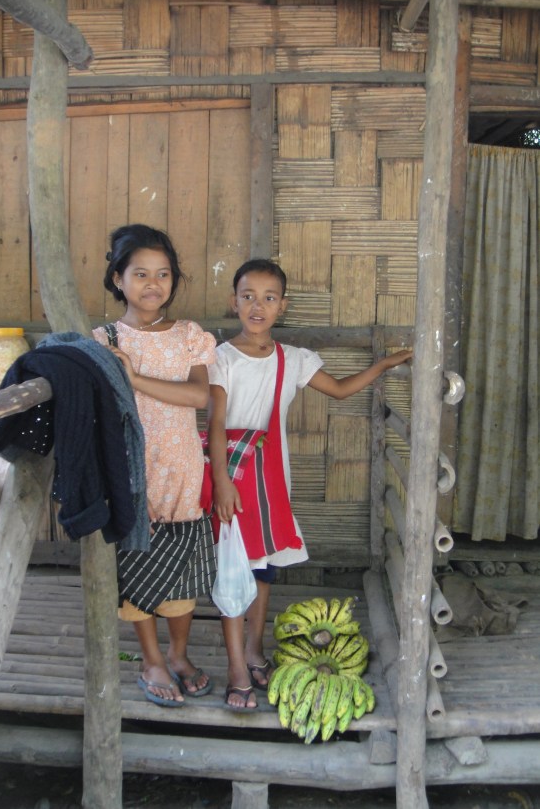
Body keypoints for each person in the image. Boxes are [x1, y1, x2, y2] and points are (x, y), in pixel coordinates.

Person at [207, 258, 413, 710]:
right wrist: (221, 481)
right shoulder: (220, 358)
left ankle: (255, 651)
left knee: (263, 568)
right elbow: (216, 423)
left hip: (272, 481)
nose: (257, 306)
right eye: (248, 296)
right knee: (233, 569)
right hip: (232, 478)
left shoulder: (293, 359)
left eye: (268, 298)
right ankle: (237, 669)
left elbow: (338, 389)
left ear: (282, 305)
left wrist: (382, 366)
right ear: (233, 302)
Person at [93, 223, 217, 707]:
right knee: (134, 566)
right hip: (130, 471)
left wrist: (135, 377)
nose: (153, 283)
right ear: (118, 279)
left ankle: (179, 655)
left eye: (163, 274)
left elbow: (199, 396)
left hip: (182, 468)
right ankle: (151, 660)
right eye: (140, 273)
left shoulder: (189, 336)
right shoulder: (103, 340)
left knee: (181, 568)